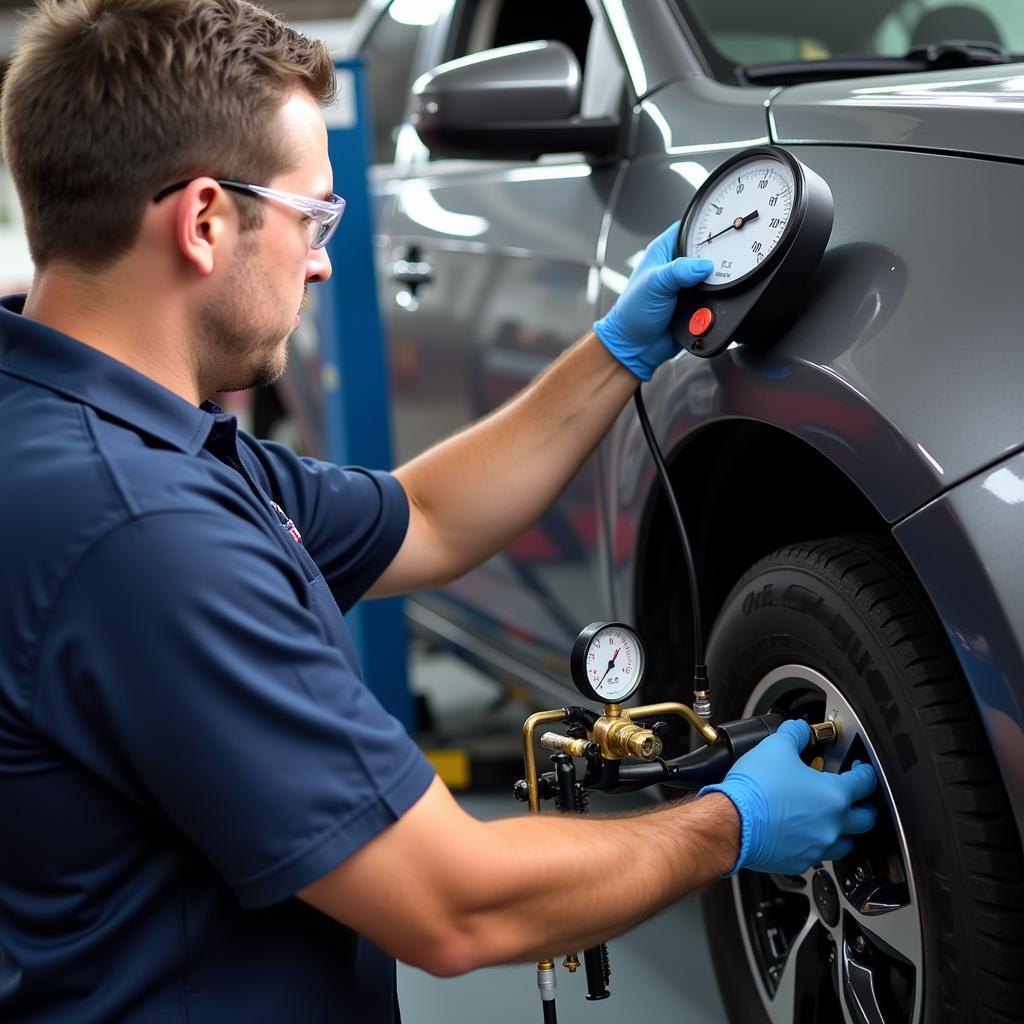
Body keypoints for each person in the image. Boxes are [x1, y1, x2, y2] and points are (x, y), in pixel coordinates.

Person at [0, 1, 877, 1020]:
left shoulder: (83, 430)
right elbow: (454, 906)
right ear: (203, 221)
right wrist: (732, 822)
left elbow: (425, 516)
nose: (323, 260)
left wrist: (617, 349)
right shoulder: (146, 532)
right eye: (311, 219)